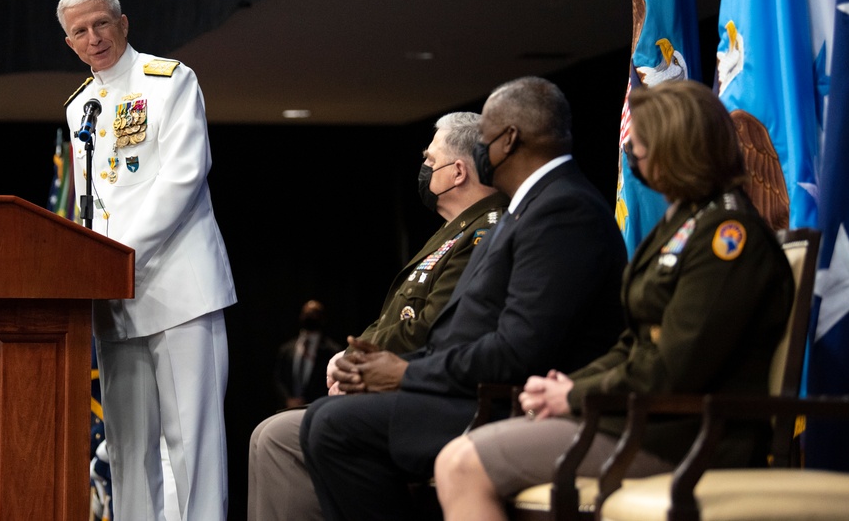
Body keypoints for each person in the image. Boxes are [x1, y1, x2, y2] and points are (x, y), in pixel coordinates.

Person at [434, 79, 795, 521]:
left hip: (685, 434)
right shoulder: (685, 222)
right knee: (464, 452)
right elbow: (634, 343)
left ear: (675, 145)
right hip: (638, 419)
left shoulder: (728, 238)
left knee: (460, 464)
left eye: (641, 143)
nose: (633, 152)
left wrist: (575, 396)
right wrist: (564, 388)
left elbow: (673, 368)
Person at [299, 76, 627, 521]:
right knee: (324, 420)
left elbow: (520, 349)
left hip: (501, 402)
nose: (479, 154)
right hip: (470, 389)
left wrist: (406, 373)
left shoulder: (563, 209)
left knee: (335, 428)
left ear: (508, 141)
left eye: (485, 140)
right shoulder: (526, 207)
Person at [248, 111, 508, 521]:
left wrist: (357, 366)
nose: (423, 168)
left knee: (282, 436)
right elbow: (395, 321)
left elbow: (431, 327)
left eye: (429, 159)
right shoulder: (453, 232)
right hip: (404, 386)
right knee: (268, 433)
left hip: (438, 394)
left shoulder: (484, 232)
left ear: (458, 171)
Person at [58, 0, 238, 521]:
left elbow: (183, 178)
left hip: (180, 288)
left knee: (194, 450)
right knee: (128, 450)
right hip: (115, 300)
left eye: (101, 24)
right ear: (68, 43)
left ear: (124, 23)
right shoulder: (79, 107)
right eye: (80, 32)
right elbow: (91, 203)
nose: (94, 39)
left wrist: (115, 257)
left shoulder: (170, 81)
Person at [273, 300, 341, 409]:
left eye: (314, 313)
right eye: (307, 313)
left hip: (318, 409)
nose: (310, 316)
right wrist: (288, 399)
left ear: (322, 318)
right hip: (288, 408)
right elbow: (279, 378)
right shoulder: (286, 349)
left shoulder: (332, 351)